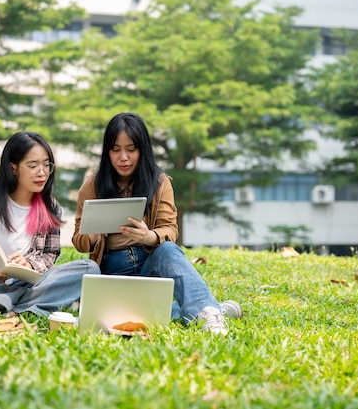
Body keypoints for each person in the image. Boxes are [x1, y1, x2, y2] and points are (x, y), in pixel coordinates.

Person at [72, 112, 243, 335]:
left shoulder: (159, 182)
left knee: (169, 250)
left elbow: (170, 229)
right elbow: (78, 240)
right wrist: (93, 234)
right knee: (136, 313)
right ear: (108, 152)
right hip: (113, 272)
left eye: (131, 149)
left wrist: (148, 237)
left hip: (149, 263)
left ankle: (209, 314)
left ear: (142, 150)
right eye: (116, 149)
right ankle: (212, 309)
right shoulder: (92, 186)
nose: (123, 157)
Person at [0, 131, 100, 317]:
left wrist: (29, 265)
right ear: (13, 167)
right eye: (32, 166)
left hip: (26, 282)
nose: (42, 172)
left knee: (89, 269)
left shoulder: (51, 207)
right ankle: (35, 303)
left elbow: (49, 256)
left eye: (46, 165)